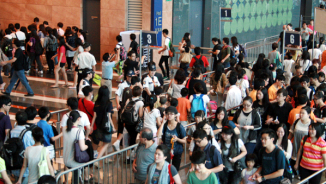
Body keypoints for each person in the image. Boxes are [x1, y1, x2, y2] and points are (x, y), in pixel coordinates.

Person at [92, 86, 116, 167]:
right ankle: (97, 159)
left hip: (98, 125)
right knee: (106, 143)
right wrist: (114, 127)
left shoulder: (96, 103)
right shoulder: (109, 103)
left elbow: (94, 116)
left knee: (103, 141)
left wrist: (92, 126)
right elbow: (109, 117)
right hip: (106, 126)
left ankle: (105, 159)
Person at [8, 111, 35, 183]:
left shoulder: (10, 132)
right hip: (24, 167)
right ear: (26, 120)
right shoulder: (27, 133)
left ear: (16, 120)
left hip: (12, 165)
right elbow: (32, 148)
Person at [63, 111, 89, 184]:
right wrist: (88, 145)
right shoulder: (79, 131)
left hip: (66, 159)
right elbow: (82, 148)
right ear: (78, 118)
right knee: (76, 179)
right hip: (75, 161)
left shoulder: (65, 130)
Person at [157, 106, 186, 171]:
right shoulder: (164, 125)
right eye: (167, 114)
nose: (169, 115)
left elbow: (185, 141)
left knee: (175, 171)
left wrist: (177, 139)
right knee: (165, 170)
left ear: (175, 115)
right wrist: (163, 123)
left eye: (171, 114)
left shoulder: (179, 126)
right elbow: (158, 135)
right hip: (166, 153)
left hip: (177, 153)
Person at [288, 106, 314, 177]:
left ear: (308, 114)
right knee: (294, 165)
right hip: (295, 147)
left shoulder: (311, 124)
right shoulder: (296, 121)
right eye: (300, 113)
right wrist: (287, 142)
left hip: (306, 150)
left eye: (303, 113)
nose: (300, 115)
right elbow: (291, 134)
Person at [113, 69, 133, 151]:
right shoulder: (122, 85)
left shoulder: (133, 84)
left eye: (131, 76)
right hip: (122, 105)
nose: (130, 78)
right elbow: (117, 95)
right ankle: (120, 142)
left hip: (130, 106)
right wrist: (118, 104)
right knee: (121, 124)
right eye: (129, 76)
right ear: (126, 76)